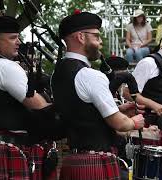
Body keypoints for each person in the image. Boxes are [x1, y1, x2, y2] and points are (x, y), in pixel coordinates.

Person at [51, 12, 145, 180]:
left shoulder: (58, 73)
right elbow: (119, 123)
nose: (100, 41)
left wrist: (118, 108)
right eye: (96, 36)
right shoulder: (90, 75)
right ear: (80, 37)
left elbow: (81, 109)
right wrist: (134, 122)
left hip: (72, 161)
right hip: (95, 163)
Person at [0, 16, 49, 179]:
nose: (19, 42)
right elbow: (39, 106)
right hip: (6, 147)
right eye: (13, 38)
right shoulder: (3, 66)